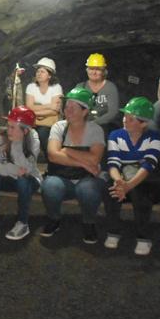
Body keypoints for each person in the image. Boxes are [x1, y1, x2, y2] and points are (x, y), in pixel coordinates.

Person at [39, 87, 106, 243]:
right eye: (66, 106)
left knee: (88, 189)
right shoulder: (59, 127)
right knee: (49, 185)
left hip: (86, 179)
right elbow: (53, 156)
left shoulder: (95, 130)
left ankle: (89, 222)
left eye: (72, 107)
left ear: (84, 111)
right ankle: (54, 219)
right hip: (62, 178)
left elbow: (95, 159)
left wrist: (67, 150)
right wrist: (84, 162)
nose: (67, 110)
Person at [102, 97, 160, 256]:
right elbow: (113, 162)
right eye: (125, 116)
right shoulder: (115, 135)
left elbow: (148, 165)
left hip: (145, 179)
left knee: (140, 192)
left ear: (143, 123)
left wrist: (128, 186)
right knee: (110, 189)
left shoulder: (155, 137)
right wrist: (119, 181)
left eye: (131, 119)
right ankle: (113, 231)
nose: (125, 120)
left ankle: (143, 236)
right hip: (122, 177)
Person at [0, 106, 41, 240]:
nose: (8, 130)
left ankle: (22, 223)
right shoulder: (3, 137)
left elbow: (27, 168)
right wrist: (12, 168)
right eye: (8, 126)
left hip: (30, 179)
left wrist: (16, 145)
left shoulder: (33, 139)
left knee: (23, 180)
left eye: (12, 127)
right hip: (9, 176)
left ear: (25, 131)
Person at [24, 57, 63, 160]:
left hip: (49, 124)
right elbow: (29, 107)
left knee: (43, 134)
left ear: (49, 75)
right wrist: (49, 106)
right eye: (38, 71)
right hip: (31, 122)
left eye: (42, 71)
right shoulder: (31, 87)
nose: (39, 74)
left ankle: (51, 161)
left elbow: (55, 111)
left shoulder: (56, 88)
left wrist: (36, 110)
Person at [74, 53, 120, 134]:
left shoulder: (110, 87)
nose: (94, 72)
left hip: (104, 125)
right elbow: (72, 108)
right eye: (91, 68)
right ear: (87, 70)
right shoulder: (80, 87)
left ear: (103, 71)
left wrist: (93, 123)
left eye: (97, 69)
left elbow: (113, 112)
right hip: (82, 124)